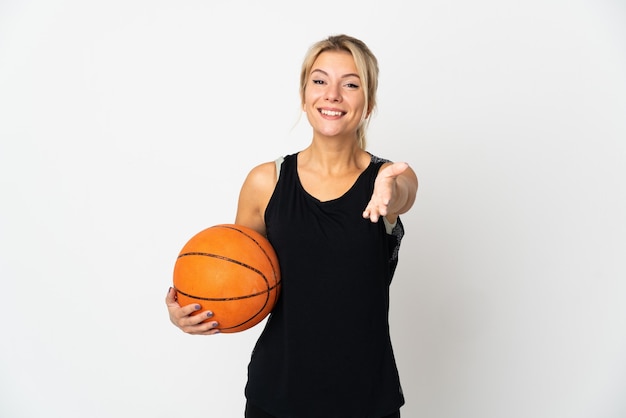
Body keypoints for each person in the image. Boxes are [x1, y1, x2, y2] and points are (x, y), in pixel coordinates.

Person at [166, 34, 418, 418]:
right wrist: (193, 309)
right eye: (319, 81)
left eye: (351, 84)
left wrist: (389, 193)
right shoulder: (265, 182)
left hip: (366, 398)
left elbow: (403, 193)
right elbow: (234, 279)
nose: (332, 94)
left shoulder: (389, 177)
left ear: (368, 104)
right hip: (276, 395)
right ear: (304, 96)